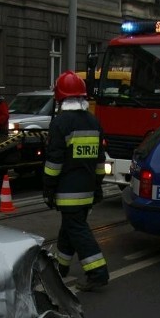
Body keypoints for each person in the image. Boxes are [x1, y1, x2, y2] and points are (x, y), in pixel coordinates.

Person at [43, 70, 109, 292]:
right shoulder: (94, 122)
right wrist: (98, 187)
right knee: (70, 228)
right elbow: (100, 162)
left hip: (67, 192)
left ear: (60, 98)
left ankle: (98, 272)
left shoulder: (60, 123)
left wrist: (48, 189)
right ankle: (60, 268)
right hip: (88, 189)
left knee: (78, 230)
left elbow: (54, 164)